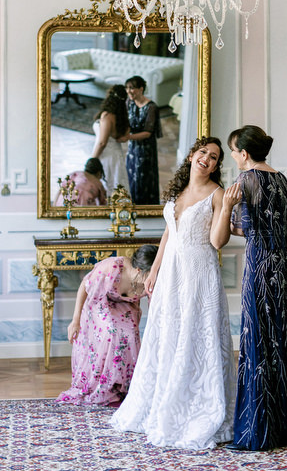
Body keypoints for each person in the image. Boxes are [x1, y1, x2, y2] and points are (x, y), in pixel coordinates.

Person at [110, 137, 239, 450]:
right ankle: (163, 401)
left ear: (216, 166)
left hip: (199, 273)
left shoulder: (217, 194)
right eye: (203, 152)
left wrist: (227, 208)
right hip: (171, 272)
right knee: (168, 333)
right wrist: (154, 270)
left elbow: (218, 242)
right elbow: (169, 232)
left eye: (214, 157)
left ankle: (196, 409)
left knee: (196, 335)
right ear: (192, 155)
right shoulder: (177, 190)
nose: (207, 159)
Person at [225, 125, 287, 452]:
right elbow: (282, 227)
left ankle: (257, 430)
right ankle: (285, 426)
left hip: (260, 264)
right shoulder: (281, 178)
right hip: (284, 264)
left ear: (244, 153)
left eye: (233, 151)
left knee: (258, 337)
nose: (232, 156)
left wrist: (224, 208)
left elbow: (240, 229)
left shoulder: (247, 180)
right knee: (281, 338)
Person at [56, 244, 158, 406]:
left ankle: (122, 385)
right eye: (151, 274)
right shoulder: (113, 268)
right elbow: (84, 286)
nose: (155, 278)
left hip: (125, 306)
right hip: (99, 301)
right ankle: (102, 384)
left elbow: (155, 309)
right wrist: (75, 320)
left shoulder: (152, 280)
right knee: (111, 331)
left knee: (130, 333)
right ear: (139, 271)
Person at [118, 75, 162, 205]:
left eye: (132, 88)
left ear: (141, 89)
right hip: (132, 148)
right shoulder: (129, 103)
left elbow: (148, 133)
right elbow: (125, 122)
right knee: (131, 176)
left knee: (143, 178)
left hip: (146, 150)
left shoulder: (151, 107)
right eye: (127, 88)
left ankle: (145, 207)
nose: (128, 91)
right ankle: (133, 205)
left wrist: (128, 137)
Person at [92, 84, 130, 197]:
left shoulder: (107, 116)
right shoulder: (122, 116)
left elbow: (102, 142)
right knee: (117, 184)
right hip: (117, 154)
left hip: (106, 155)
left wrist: (93, 159)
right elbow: (123, 137)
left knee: (108, 185)